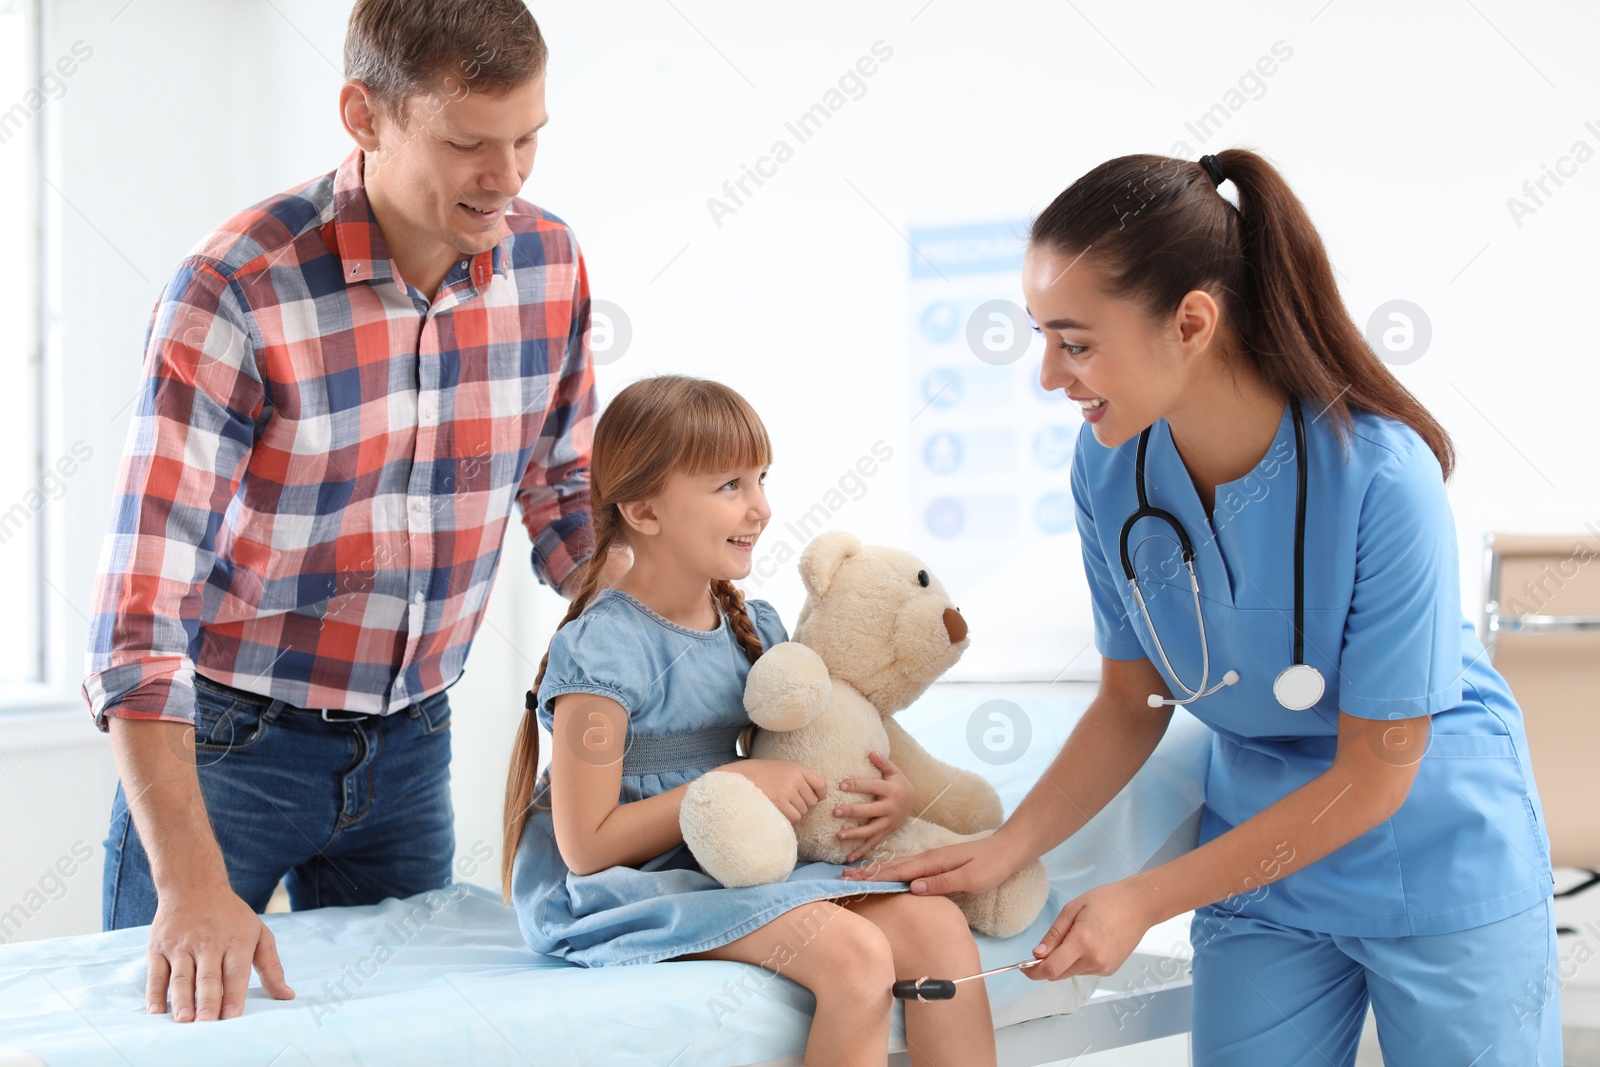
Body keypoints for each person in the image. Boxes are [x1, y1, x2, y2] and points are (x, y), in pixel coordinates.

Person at [846, 150, 1562, 1065]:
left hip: (1428, 846)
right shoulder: (1110, 464)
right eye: (1040, 336)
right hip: (1262, 865)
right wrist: (1003, 846)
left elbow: (1378, 772)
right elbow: (1131, 701)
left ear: (1191, 322)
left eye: (1075, 341)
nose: (1047, 376)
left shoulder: (1383, 476)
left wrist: (1146, 897)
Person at [82, 0, 627, 1026]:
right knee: (167, 1038)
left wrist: (701, 634)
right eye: (468, 143)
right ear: (364, 117)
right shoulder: (236, 286)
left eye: (527, 139)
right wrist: (193, 885)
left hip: (413, 742)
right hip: (228, 747)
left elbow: (566, 504)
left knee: (407, 1039)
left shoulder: (549, 264)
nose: (507, 178)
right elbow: (136, 617)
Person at [503, 374, 999, 1067]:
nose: (761, 506)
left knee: (941, 927)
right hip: (619, 887)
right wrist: (740, 782)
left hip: (725, 860)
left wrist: (893, 797)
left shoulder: (752, 628)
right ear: (644, 509)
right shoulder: (602, 649)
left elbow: (824, 741)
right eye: (729, 485)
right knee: (857, 958)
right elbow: (586, 845)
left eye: (761, 478)